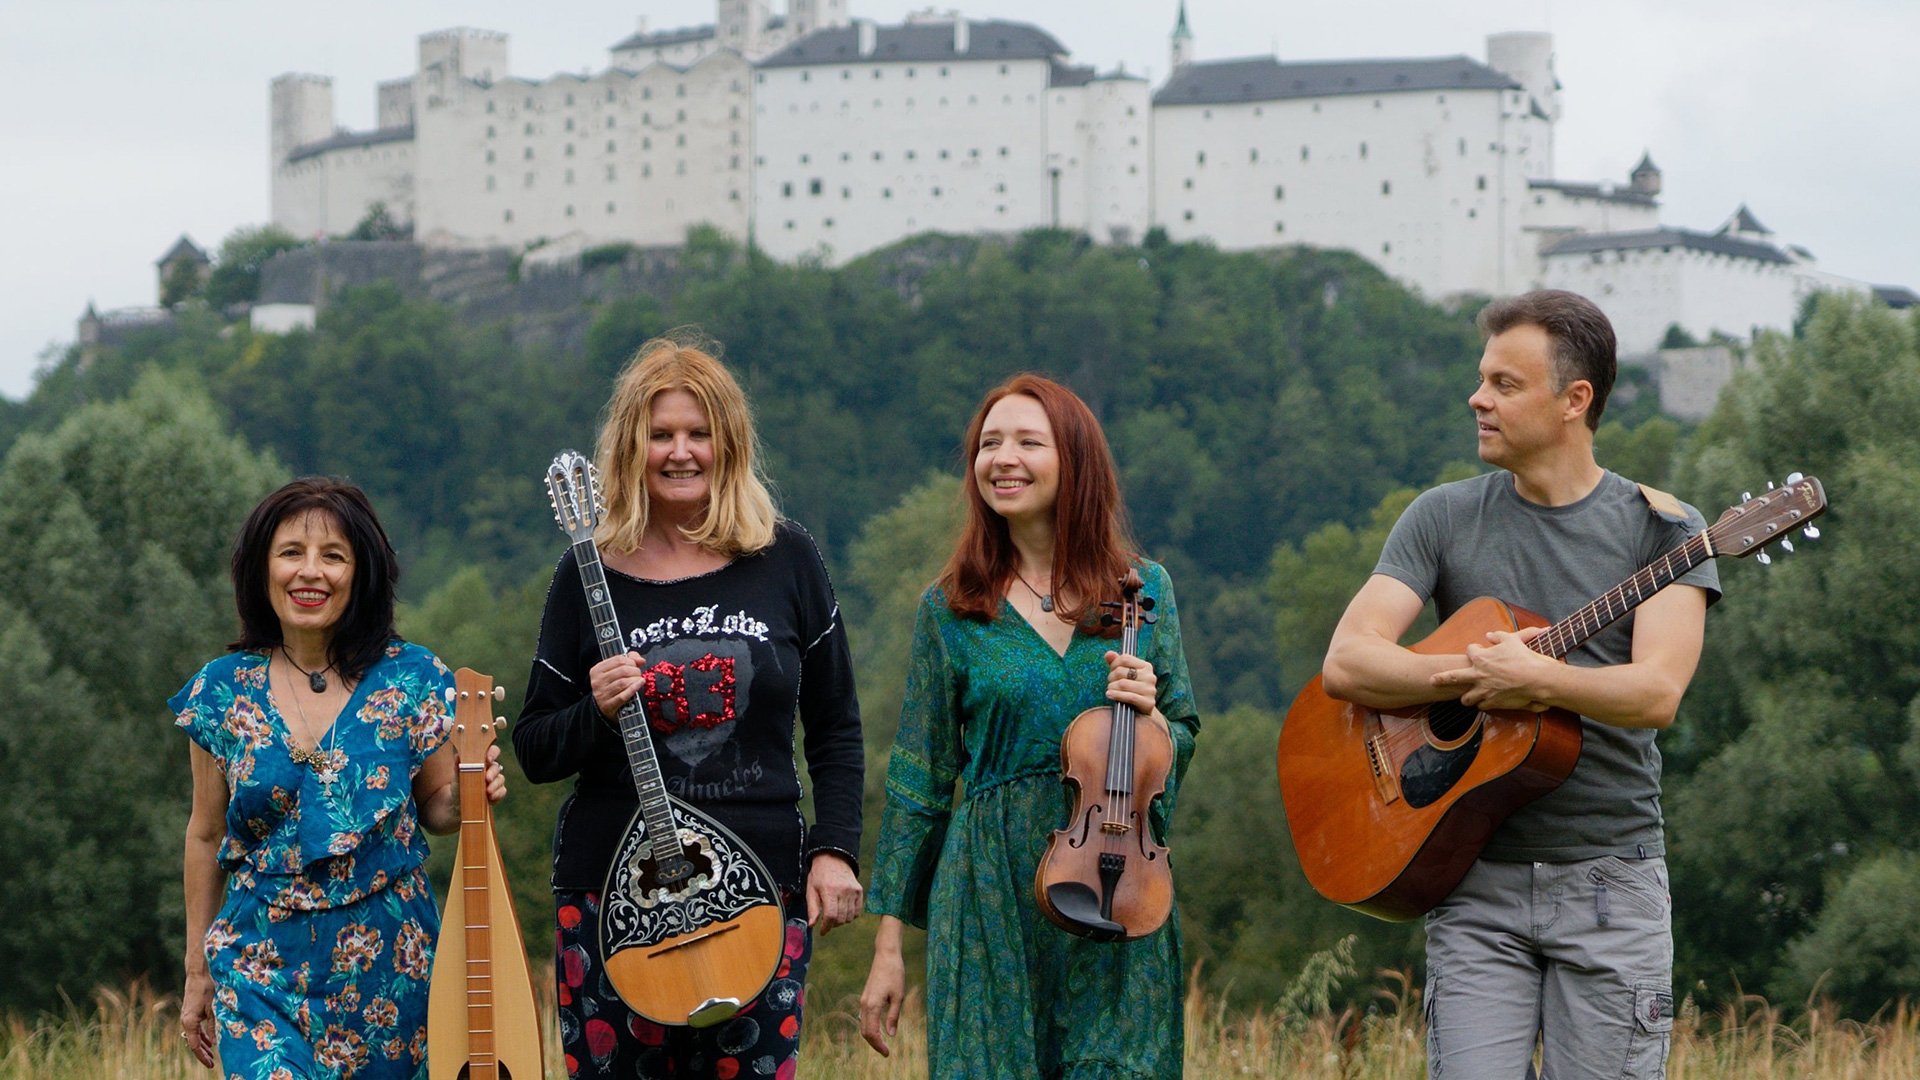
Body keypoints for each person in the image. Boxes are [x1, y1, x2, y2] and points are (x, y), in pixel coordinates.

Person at [1318, 289, 1719, 1078]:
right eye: (1482, 379)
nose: (1478, 398)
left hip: (1611, 885)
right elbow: (1348, 661)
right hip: (1474, 881)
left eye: (1505, 384)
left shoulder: (1668, 530)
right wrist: (1470, 673)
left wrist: (1545, 681)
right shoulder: (1441, 517)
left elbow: (1656, 694)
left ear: (1575, 400)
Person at [513, 335, 864, 1079]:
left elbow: (835, 727)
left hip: (759, 890)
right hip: (612, 897)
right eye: (661, 434)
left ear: (727, 444)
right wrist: (595, 710)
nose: (680, 452)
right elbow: (536, 749)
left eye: (698, 433)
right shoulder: (586, 573)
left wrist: (834, 850)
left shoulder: (787, 557)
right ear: (630, 447)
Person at [858, 373, 1200, 1079]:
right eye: (989, 444)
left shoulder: (1145, 592)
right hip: (988, 895)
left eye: (1027, 442)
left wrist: (1155, 721)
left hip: (1116, 879)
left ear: (1074, 460)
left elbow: (1183, 736)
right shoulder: (950, 609)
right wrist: (888, 947)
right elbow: (919, 783)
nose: (1002, 459)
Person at [175, 477, 508, 1077]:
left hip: (390, 966)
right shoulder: (220, 690)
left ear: (361, 574)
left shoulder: (412, 677)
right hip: (257, 967)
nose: (311, 572)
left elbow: (436, 806)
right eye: (291, 553)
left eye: (333, 556)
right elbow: (205, 833)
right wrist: (197, 968)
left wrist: (468, 795)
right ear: (262, 568)